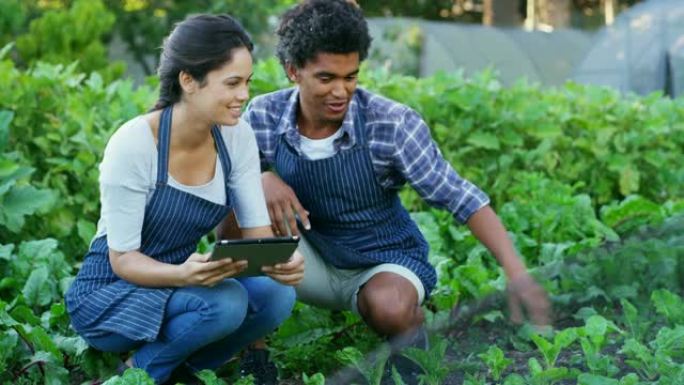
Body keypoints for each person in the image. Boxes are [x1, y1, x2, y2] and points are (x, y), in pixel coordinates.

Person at [242, 0, 550, 379]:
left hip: (382, 260)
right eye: (326, 78)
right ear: (293, 71)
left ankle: (411, 346)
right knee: (238, 206)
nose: (341, 91)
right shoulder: (263, 115)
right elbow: (223, 180)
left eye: (350, 76)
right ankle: (253, 354)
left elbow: (460, 197)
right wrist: (260, 178)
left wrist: (517, 272)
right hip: (309, 260)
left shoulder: (391, 123)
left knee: (388, 306)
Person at [65, 14, 304, 385]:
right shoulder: (134, 144)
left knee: (278, 295)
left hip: (182, 281)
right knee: (226, 303)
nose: (244, 95)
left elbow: (257, 236)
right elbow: (123, 259)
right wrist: (181, 274)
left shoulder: (236, 137)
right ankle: (135, 375)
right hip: (111, 293)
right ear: (188, 80)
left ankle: (185, 370)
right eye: (232, 83)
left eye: (247, 83)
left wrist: (282, 261)